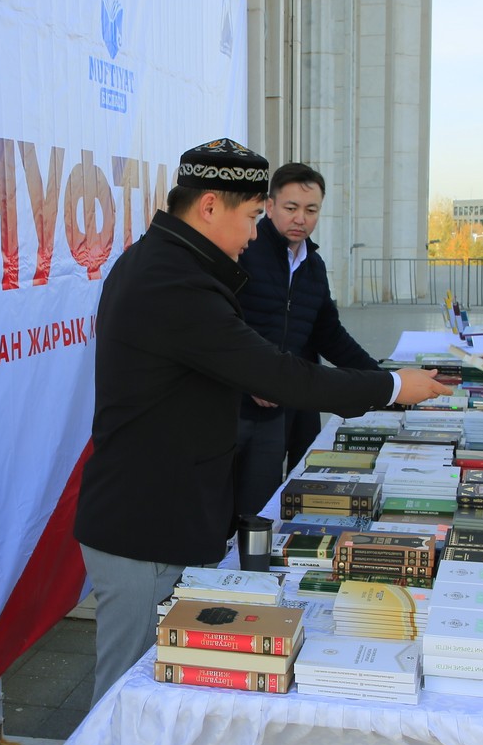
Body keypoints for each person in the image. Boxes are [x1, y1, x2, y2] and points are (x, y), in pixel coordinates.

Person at [74, 139, 451, 703]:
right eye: (253, 216)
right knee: (129, 693)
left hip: (170, 511)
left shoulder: (171, 262)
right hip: (146, 523)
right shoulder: (173, 280)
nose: (255, 234)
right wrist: (393, 387)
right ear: (209, 206)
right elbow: (280, 374)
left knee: (168, 685)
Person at [232, 163, 381, 518]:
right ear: (269, 206)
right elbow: (223, 327)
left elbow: (329, 334)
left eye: (311, 210)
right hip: (238, 404)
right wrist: (251, 378)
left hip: (292, 402)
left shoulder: (313, 266)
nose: (301, 218)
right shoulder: (243, 253)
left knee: (270, 506)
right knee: (231, 506)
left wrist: (383, 380)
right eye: (291, 207)